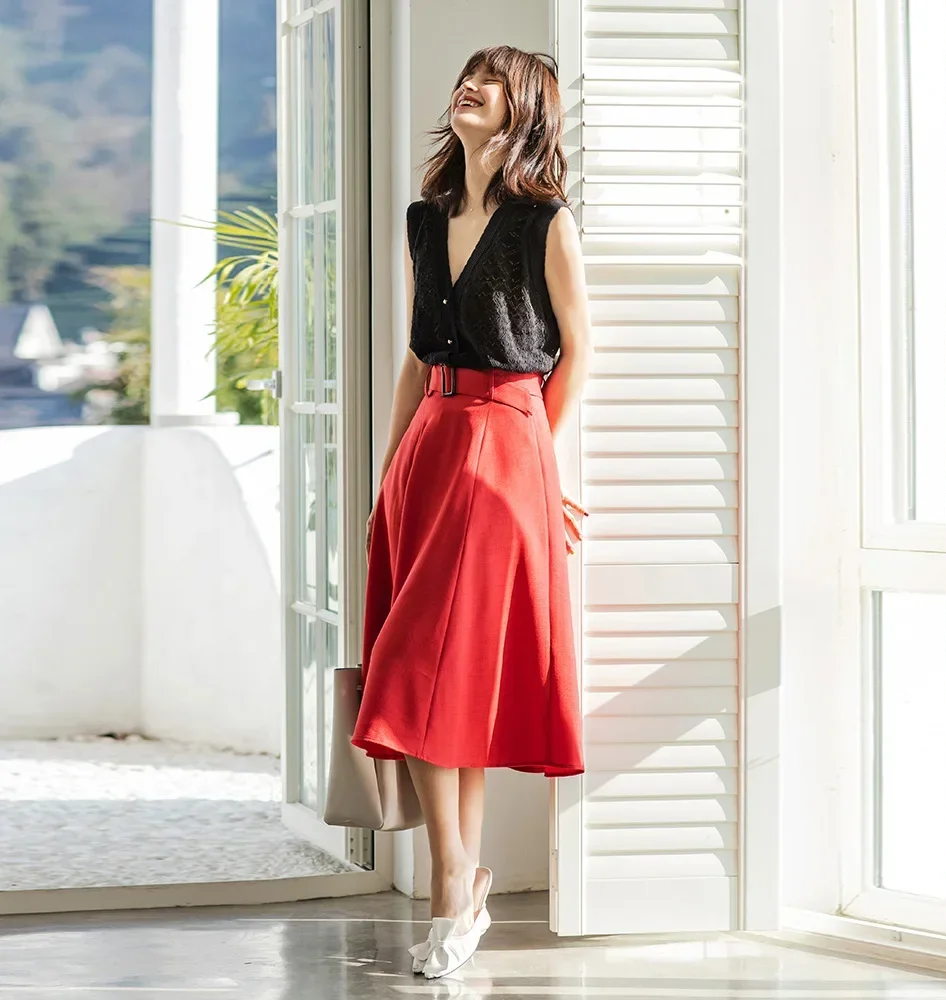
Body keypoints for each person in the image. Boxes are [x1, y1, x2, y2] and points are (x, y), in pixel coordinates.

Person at [351, 44, 592, 979]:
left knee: (425, 668)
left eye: (491, 80)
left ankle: (454, 880)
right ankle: (462, 880)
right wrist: (389, 469)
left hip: (503, 441)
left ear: (523, 106)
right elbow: (418, 355)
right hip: (427, 449)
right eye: (467, 74)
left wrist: (542, 460)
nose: (471, 87)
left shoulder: (544, 222)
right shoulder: (425, 219)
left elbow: (579, 351)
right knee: (442, 684)